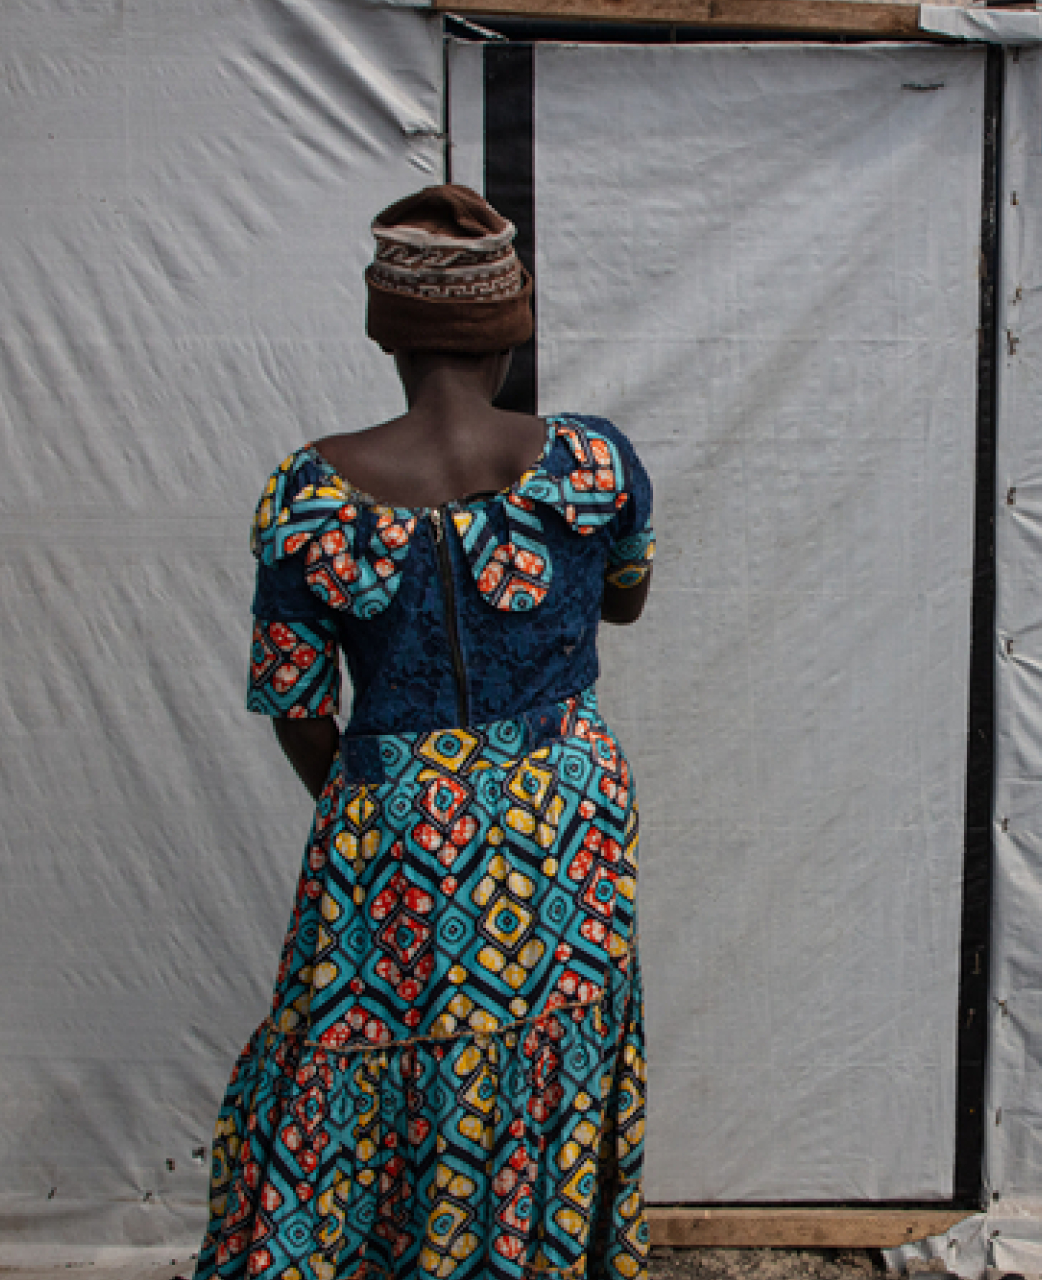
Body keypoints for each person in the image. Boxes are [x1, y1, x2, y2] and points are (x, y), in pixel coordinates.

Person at [195, 185, 654, 1280]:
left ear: (385, 328)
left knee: (352, 1063)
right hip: (567, 813)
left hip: (396, 824)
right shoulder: (595, 465)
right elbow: (625, 600)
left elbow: (299, 703)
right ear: (514, 326)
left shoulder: (311, 491)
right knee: (553, 1051)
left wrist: (379, 792)